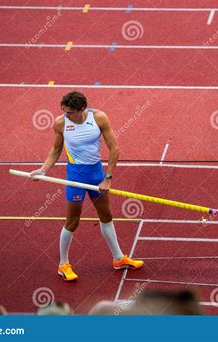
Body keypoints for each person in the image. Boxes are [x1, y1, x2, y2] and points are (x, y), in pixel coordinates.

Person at [30, 91, 143, 281]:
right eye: (64, 111)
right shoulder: (60, 123)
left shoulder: (98, 118)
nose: (66, 115)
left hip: (96, 174)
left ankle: (118, 259)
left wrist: (107, 178)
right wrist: (44, 169)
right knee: (72, 221)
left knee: (106, 215)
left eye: (70, 112)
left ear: (82, 109)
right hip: (75, 176)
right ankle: (63, 264)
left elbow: (114, 149)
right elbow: (56, 149)